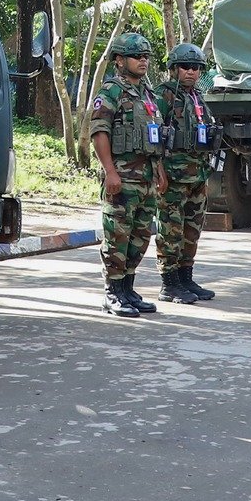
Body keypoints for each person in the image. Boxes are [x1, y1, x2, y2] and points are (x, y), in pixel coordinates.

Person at [89, 31, 165, 318]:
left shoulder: (148, 93)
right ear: (119, 60)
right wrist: (109, 171)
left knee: (140, 235)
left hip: (145, 177)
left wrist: (158, 170)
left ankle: (128, 289)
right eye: (137, 56)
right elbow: (99, 132)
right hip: (121, 176)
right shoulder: (111, 91)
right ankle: (112, 293)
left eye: (146, 56)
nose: (143, 61)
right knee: (117, 237)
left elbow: (154, 136)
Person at [154, 42, 216, 305]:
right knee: (170, 230)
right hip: (173, 176)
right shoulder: (163, 96)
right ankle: (169, 284)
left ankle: (185, 277)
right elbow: (153, 136)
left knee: (192, 229)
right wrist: (159, 171)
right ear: (173, 68)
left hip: (197, 175)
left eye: (196, 68)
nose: (191, 72)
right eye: (185, 67)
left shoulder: (198, 97)